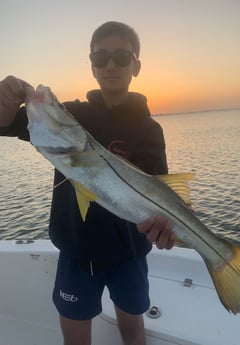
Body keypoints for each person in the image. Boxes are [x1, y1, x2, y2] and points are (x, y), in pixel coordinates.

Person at [0, 21, 175, 345]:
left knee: (133, 328)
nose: (111, 65)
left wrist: (165, 227)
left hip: (130, 255)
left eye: (122, 57)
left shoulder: (150, 130)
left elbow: (159, 192)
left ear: (136, 65)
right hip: (77, 254)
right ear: (92, 65)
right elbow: (7, 123)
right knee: (75, 336)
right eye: (101, 57)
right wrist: (5, 102)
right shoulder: (70, 115)